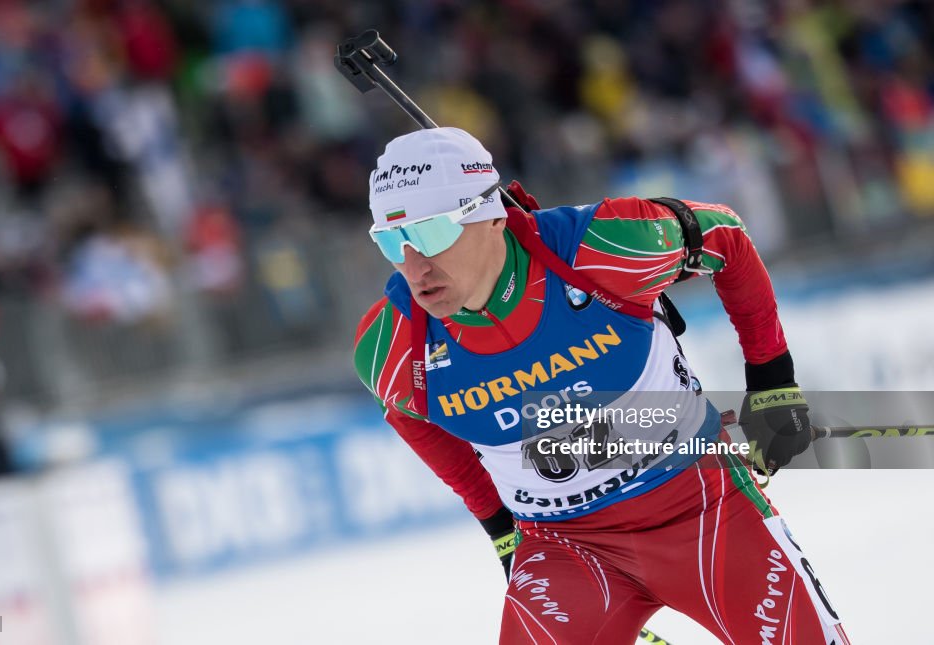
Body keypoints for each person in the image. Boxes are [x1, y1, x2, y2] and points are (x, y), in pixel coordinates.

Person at [352, 127, 850, 644]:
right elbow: (412, 417)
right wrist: (502, 532)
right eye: (391, 241)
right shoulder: (390, 346)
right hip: (565, 548)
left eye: (431, 233)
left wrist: (772, 380)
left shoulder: (604, 246)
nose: (414, 265)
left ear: (492, 215)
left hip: (703, 508)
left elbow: (725, 235)